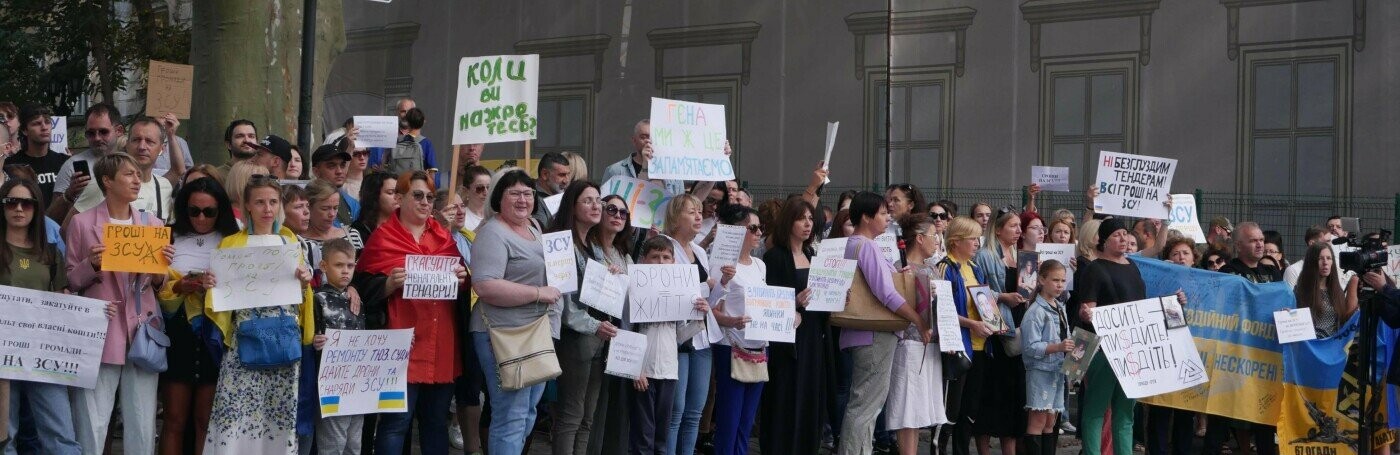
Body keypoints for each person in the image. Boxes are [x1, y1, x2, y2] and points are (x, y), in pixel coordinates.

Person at [65, 152, 174, 454]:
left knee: (142, 421)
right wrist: (92, 264)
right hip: (100, 330)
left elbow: (160, 284)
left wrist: (159, 269)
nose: (137, 179)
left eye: (138, 174)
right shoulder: (82, 223)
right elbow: (73, 279)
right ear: (107, 181)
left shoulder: (152, 224)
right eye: (129, 174)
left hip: (142, 330)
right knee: (93, 418)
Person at [202, 174, 315, 452]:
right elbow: (220, 299)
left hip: (284, 338)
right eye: (260, 202)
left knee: (279, 414)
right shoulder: (230, 244)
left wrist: (304, 280)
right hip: (243, 340)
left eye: (273, 202)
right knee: (236, 412)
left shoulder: (291, 241)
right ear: (247, 206)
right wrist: (210, 285)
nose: (267, 208)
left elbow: (301, 297)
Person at [357, 170, 467, 454]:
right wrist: (387, 285)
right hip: (400, 344)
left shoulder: (443, 236)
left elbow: (461, 281)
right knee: (396, 423)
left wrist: (463, 278)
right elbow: (361, 286)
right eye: (418, 195)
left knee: (435, 422)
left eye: (430, 197)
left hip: (440, 342)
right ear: (400, 198)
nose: (425, 202)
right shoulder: (383, 238)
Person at [1076, 218, 1187, 455]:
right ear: (1103, 241)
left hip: (1131, 350)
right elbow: (1087, 310)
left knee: (1125, 413)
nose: (1124, 239)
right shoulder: (1095, 269)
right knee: (1096, 410)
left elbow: (1141, 309)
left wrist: (1172, 303)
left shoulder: (1132, 266)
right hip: (1104, 351)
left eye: (1125, 234)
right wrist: (1087, 314)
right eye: (1117, 235)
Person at [470, 169, 560, 454]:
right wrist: (537, 294)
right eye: (514, 193)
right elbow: (485, 286)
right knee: (511, 415)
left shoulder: (534, 226)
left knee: (528, 413)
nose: (523, 200)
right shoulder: (492, 233)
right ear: (499, 197)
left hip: (534, 332)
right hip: (501, 334)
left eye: (528, 193)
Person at [838, 191, 931, 455]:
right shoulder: (865, 245)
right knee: (866, 405)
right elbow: (886, 292)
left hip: (862, 333)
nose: (887, 217)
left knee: (863, 403)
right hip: (873, 334)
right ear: (866, 217)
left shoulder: (852, 243)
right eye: (881, 213)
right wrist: (917, 320)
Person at [1, 177, 86, 454]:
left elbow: (61, 297)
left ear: (37, 207)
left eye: (27, 202)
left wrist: (89, 312)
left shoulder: (50, 253)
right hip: (2, 353)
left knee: (60, 434)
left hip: (43, 351)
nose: (19, 209)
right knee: (4, 436)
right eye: (11, 201)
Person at [157, 177, 241, 455]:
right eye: (194, 211)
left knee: (206, 420)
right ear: (184, 209)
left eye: (209, 211)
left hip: (214, 332)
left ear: (222, 211)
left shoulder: (234, 237)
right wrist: (180, 286)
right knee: (174, 419)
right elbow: (150, 283)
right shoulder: (168, 235)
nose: (201, 218)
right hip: (178, 330)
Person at [757, 198, 827, 455]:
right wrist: (793, 303)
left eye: (810, 219)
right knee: (785, 395)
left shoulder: (812, 255)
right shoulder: (774, 257)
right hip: (786, 341)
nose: (807, 224)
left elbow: (821, 298)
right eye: (801, 219)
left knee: (809, 393)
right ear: (789, 222)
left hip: (811, 336)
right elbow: (768, 301)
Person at [630, 237, 710, 455]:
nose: (660, 262)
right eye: (655, 257)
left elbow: (679, 337)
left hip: (668, 370)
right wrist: (636, 368)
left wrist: (698, 318)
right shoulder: (635, 289)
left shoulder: (678, 294)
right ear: (644, 261)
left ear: (674, 262)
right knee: (643, 435)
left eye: (666, 257)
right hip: (643, 372)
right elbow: (627, 330)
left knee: (661, 435)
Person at [550, 180, 613, 455]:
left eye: (598, 200)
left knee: (588, 417)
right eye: (588, 200)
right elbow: (564, 306)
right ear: (572, 206)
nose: (596, 205)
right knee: (571, 415)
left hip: (599, 337)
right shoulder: (561, 244)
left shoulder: (596, 246)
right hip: (575, 338)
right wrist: (594, 325)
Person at [705, 204, 769, 455]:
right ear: (736, 231)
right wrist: (733, 321)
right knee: (729, 421)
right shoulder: (721, 265)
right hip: (731, 346)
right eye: (752, 228)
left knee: (746, 422)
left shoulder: (759, 265)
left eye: (760, 227)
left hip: (759, 347)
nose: (758, 233)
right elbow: (712, 309)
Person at [886, 212, 948, 455]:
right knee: (907, 407)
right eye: (933, 235)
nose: (936, 240)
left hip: (931, 344)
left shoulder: (932, 268)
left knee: (921, 408)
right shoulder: (900, 269)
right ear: (920, 238)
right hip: (908, 343)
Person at [660, 194, 718, 455]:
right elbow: (670, 291)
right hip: (678, 338)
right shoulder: (666, 249)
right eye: (691, 212)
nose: (698, 216)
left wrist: (721, 286)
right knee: (677, 410)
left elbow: (707, 295)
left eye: (699, 211)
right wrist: (706, 287)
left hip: (701, 335)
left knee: (695, 410)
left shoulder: (701, 252)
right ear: (675, 217)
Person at [585, 195, 638, 455]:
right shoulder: (587, 247)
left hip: (618, 335)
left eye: (623, 213)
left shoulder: (624, 253)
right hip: (592, 331)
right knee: (586, 408)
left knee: (610, 403)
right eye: (611, 209)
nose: (618, 215)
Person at [934, 217, 986, 454]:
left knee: (970, 409)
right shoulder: (946, 267)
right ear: (955, 242)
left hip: (980, 345)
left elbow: (984, 304)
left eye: (978, 238)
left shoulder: (974, 268)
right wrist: (971, 324)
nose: (977, 243)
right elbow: (943, 311)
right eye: (972, 238)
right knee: (950, 410)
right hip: (958, 345)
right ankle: (939, 448)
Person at [69, 116, 178, 223]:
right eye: (136, 140)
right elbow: (69, 228)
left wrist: (171, 134)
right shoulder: (107, 183)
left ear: (162, 149)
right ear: (127, 144)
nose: (142, 146)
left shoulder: (164, 186)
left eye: (149, 141)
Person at [312, 238, 364, 454]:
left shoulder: (357, 300)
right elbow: (308, 335)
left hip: (357, 381)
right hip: (329, 383)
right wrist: (314, 341)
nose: (345, 271)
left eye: (350, 266)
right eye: (339, 265)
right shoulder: (317, 299)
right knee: (333, 440)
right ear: (324, 266)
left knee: (354, 442)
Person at [1021, 260, 1073, 455]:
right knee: (1038, 419)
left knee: (1051, 420)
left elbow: (1065, 335)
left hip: (1057, 370)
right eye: (1055, 280)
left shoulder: (1060, 307)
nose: (1060, 285)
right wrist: (1058, 346)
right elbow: (1030, 347)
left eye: (1063, 280)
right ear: (1042, 279)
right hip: (1040, 371)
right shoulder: (1035, 311)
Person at [50, 103, 123, 221]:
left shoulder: (129, 164)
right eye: (91, 133)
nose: (97, 138)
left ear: (119, 130)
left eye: (103, 132)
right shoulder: (71, 166)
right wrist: (69, 194)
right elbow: (51, 219)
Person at [3, 105, 67, 210]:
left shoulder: (64, 162)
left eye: (47, 122)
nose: (44, 127)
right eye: (36, 123)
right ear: (24, 130)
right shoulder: (11, 165)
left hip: (59, 224)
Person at [599, 120, 683, 196]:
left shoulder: (674, 174)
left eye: (653, 137)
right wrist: (645, 165)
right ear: (634, 141)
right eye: (643, 137)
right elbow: (604, 202)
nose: (648, 141)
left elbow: (679, 206)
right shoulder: (615, 171)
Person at [1293, 242, 1358, 338]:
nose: (1325, 262)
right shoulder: (1300, 291)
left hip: (1332, 347)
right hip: (1310, 348)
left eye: (1328, 258)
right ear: (1311, 262)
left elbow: (1344, 320)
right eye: (1320, 258)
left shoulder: (1336, 290)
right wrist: (1289, 314)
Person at [349, 171, 399, 242]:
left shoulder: (407, 228)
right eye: (390, 192)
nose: (398, 197)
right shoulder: (356, 233)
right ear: (373, 196)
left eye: (399, 192)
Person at [461, 166, 491, 231]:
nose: (486, 192)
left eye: (489, 187)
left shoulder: (496, 215)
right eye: (479, 188)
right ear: (466, 191)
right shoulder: (460, 217)